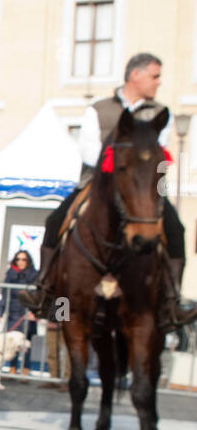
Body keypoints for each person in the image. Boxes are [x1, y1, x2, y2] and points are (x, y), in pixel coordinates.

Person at [26, 53, 196, 329]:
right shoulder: (99, 108)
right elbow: (89, 151)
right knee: (55, 220)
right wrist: (120, 165)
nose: (159, 82)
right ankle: (44, 289)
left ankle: (173, 300)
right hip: (96, 186)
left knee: (176, 229)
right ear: (135, 75)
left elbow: (160, 154)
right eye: (155, 76)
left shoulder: (160, 113)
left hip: (143, 193)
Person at [0, 250, 38, 370]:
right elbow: (5, 294)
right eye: (18, 259)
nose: (20, 262)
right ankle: (12, 368)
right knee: (12, 343)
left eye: (23, 259)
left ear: (28, 261)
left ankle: (25, 370)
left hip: (27, 313)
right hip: (13, 313)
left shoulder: (34, 274)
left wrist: (34, 312)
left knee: (26, 344)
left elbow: (37, 295)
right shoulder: (10, 274)